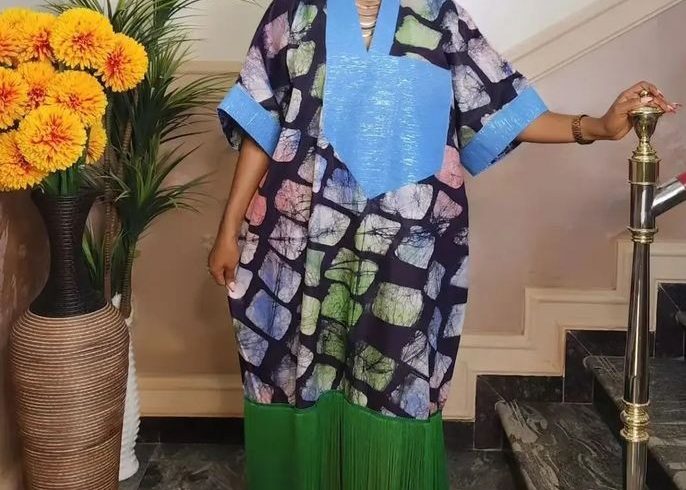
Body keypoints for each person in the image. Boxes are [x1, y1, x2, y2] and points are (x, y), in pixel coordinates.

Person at [208, 0, 677, 488]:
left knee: (395, 386)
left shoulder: (437, 16)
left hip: (407, 258)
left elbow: (500, 110)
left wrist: (596, 127)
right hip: (299, 249)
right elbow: (261, 128)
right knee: (298, 377)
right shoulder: (292, 14)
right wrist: (228, 229)